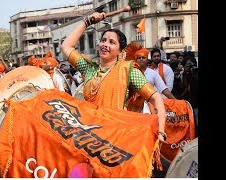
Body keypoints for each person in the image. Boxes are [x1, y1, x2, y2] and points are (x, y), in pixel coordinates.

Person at [60, 11, 167, 143]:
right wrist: (87, 22)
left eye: (112, 42)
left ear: (120, 51)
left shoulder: (128, 71)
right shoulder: (89, 69)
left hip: (116, 139)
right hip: (89, 137)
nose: (105, 44)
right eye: (103, 40)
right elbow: (66, 47)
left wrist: (161, 131)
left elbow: (156, 98)